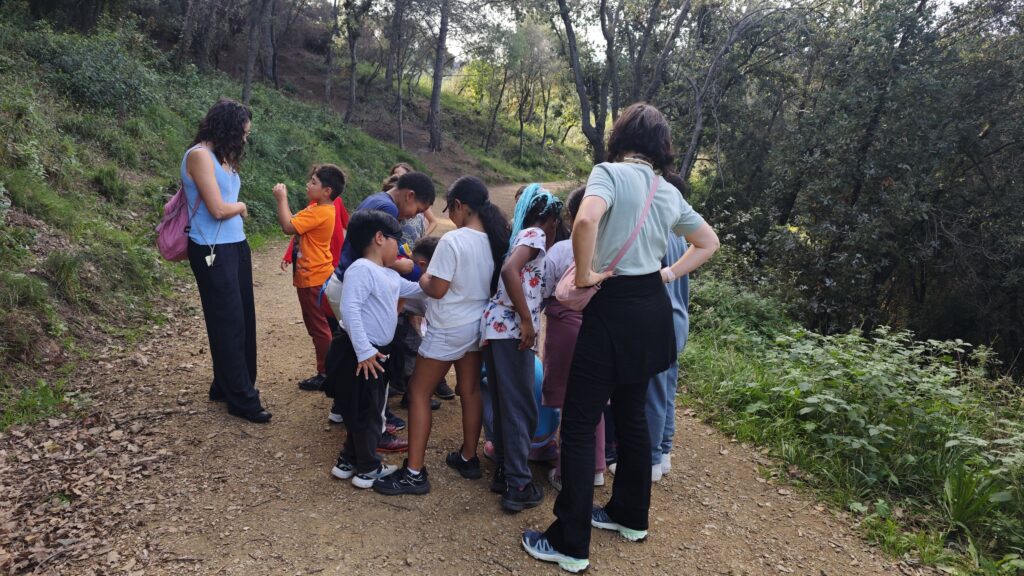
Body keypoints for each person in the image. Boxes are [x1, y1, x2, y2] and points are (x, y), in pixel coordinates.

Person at [521, 102, 720, 573]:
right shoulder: (666, 190)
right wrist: (668, 273)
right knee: (632, 414)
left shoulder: (608, 173)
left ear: (621, 136)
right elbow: (708, 242)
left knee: (578, 421)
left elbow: (586, 220)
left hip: (611, 305)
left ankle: (570, 543)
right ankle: (630, 515)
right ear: (660, 145)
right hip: (651, 308)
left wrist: (584, 274)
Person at [373, 176, 510, 496]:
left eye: (450, 209)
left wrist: (422, 276)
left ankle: (414, 472)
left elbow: (437, 289)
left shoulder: (453, 241)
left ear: (459, 205)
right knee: (470, 390)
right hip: (477, 325)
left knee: (418, 392)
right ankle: (468, 457)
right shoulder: (496, 238)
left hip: (448, 326)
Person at [182, 99, 270, 424]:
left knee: (242, 318)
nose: (245, 139)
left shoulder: (223, 157)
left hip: (235, 245)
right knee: (228, 322)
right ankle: (242, 399)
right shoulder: (199, 156)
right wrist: (242, 207)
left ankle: (226, 384)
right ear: (228, 128)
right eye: (242, 132)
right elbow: (218, 209)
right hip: (211, 248)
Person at [480, 184, 565, 511]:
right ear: (551, 219)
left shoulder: (520, 235)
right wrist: (527, 321)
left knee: (506, 404)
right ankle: (518, 484)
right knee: (521, 407)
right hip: (513, 330)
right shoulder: (535, 235)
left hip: (496, 328)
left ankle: (505, 471)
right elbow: (509, 271)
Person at [327, 210, 425, 488]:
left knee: (365, 408)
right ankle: (368, 468)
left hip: (375, 353)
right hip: (360, 354)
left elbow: (418, 290)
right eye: (398, 242)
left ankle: (347, 460)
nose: (401, 250)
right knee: (368, 413)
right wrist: (364, 351)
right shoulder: (361, 269)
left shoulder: (388, 275)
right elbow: (350, 309)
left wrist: (440, 278)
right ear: (380, 238)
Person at [541, 186, 607, 492]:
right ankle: (596, 468)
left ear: (571, 216)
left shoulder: (561, 250)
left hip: (565, 329)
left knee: (568, 401)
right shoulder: (610, 249)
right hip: (600, 328)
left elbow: (545, 288)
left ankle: (565, 471)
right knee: (594, 400)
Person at [271, 165, 346, 392]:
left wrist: (281, 198)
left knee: (319, 327)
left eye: (314, 182)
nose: (308, 185)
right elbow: (295, 222)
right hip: (313, 275)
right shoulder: (318, 208)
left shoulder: (320, 212)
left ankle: (326, 373)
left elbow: (288, 226)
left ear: (327, 191)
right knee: (317, 325)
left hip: (314, 277)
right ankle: (329, 370)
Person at [646, 172, 692, 483]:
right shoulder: (681, 235)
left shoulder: (658, 231)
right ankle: (663, 452)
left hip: (660, 320)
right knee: (668, 389)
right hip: (679, 320)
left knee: (653, 391)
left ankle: (650, 460)